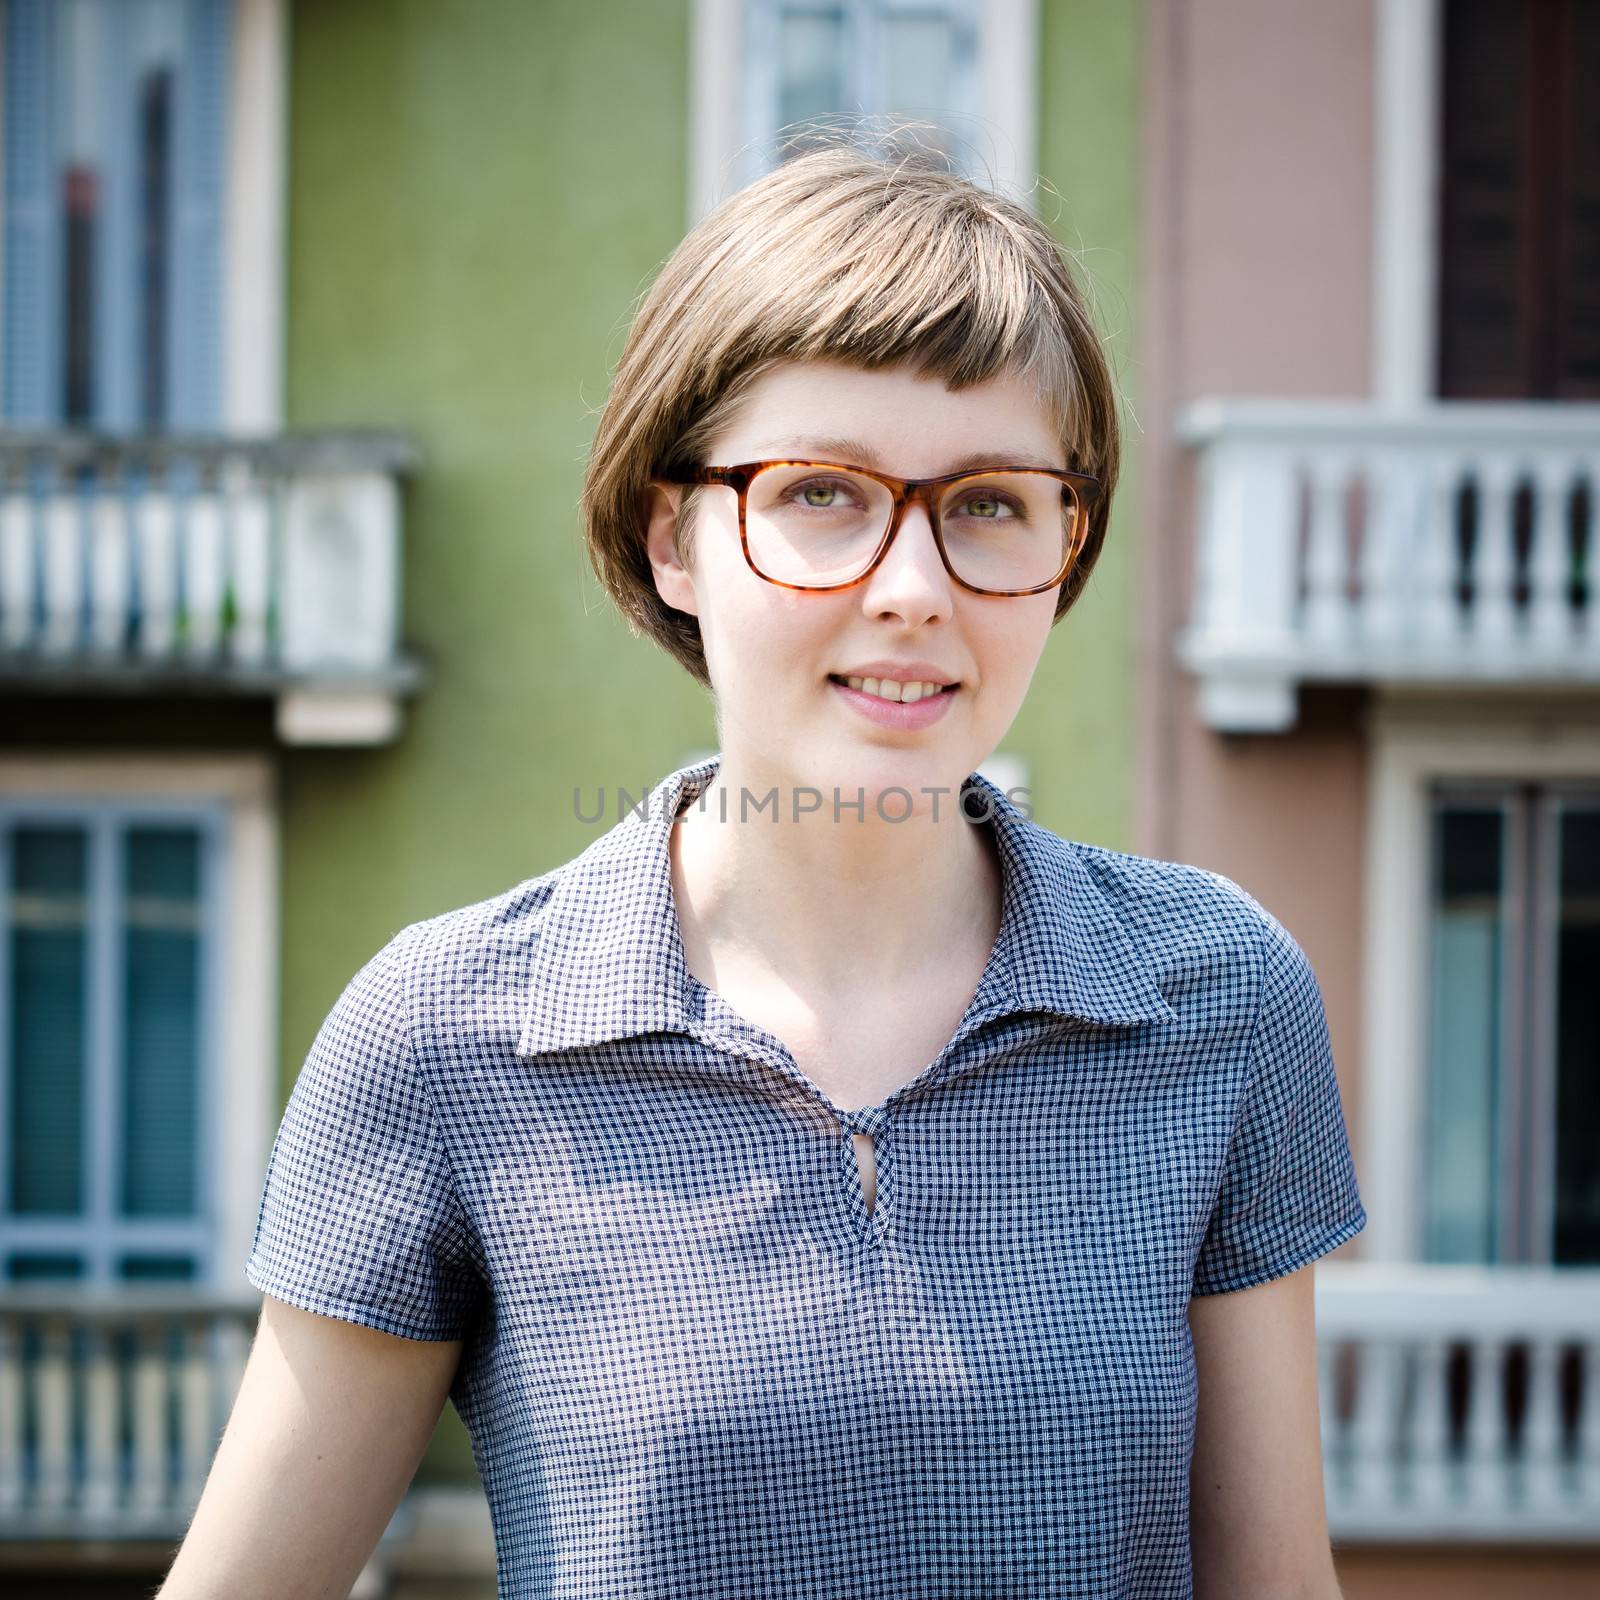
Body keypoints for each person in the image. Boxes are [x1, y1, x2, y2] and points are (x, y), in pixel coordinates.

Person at [159, 135, 1365, 1600]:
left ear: (1068, 539)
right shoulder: (441, 1038)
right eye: (821, 494)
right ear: (674, 537)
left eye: (989, 502)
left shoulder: (1221, 1000)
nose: (914, 589)